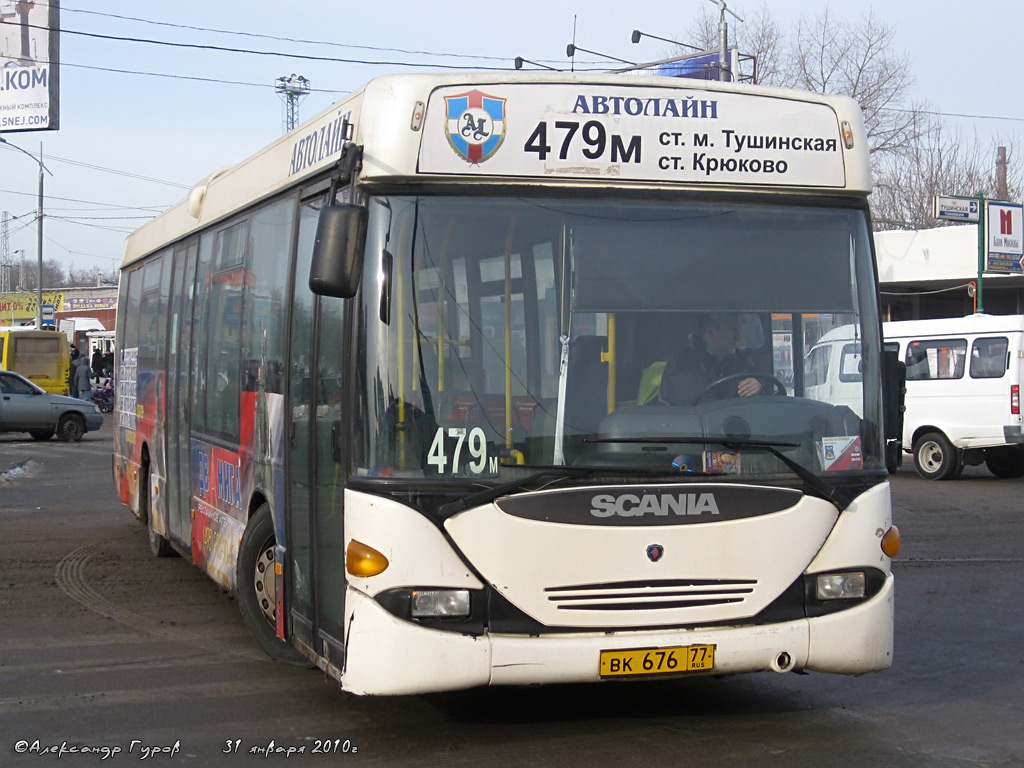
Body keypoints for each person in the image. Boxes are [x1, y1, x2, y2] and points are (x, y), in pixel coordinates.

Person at [659, 313, 764, 406]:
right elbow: (702, 408)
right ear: (711, 333)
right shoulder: (682, 365)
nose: (738, 336)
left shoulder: (737, 361)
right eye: (732, 329)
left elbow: (768, 388)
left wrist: (758, 388)